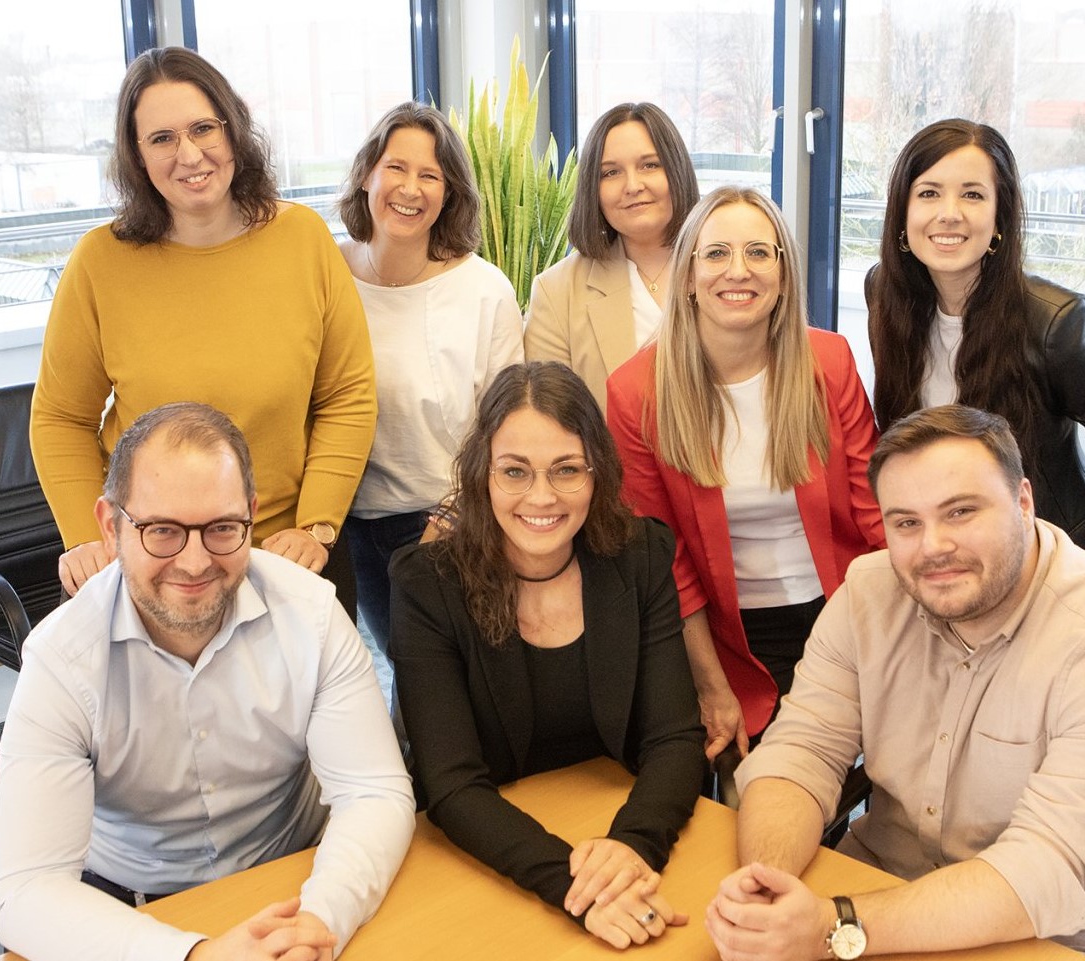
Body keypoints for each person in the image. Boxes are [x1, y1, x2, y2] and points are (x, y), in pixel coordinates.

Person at [706, 404, 1085, 960]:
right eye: (906, 522)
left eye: (960, 512)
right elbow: (801, 752)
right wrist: (765, 884)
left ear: (1024, 502)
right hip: (879, 897)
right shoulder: (867, 592)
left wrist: (829, 925)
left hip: (1053, 935)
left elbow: (1043, 870)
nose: (932, 546)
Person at [0, 403, 413, 961]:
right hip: (131, 914)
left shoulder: (310, 612)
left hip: (296, 878)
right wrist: (197, 957)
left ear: (252, 517)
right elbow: (25, 888)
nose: (194, 562)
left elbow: (374, 792)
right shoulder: (61, 659)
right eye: (162, 530)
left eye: (221, 529)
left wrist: (315, 925)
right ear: (110, 525)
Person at [866, 117, 1085, 661]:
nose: (949, 213)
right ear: (903, 214)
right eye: (929, 193)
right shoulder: (885, 296)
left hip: (1061, 567)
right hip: (957, 567)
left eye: (972, 194)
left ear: (999, 221)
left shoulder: (1056, 322)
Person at [31, 47, 375, 610]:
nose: (189, 153)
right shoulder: (99, 263)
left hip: (291, 559)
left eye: (202, 128)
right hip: (160, 570)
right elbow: (60, 419)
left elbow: (348, 396)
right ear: (137, 157)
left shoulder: (304, 239)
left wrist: (317, 526)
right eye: (161, 138)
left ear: (233, 131)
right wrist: (90, 536)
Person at [389, 361, 706, 950]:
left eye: (567, 470)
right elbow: (451, 784)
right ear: (483, 473)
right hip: (489, 855)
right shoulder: (428, 583)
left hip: (607, 822)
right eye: (515, 471)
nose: (542, 497)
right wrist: (574, 885)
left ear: (598, 472)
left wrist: (631, 849)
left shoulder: (639, 557)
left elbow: (675, 740)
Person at [607, 187, 885, 762]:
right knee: (752, 790)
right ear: (686, 275)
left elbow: (874, 515)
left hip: (844, 615)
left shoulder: (829, 364)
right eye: (717, 254)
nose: (740, 271)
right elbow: (666, 560)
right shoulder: (636, 393)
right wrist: (712, 686)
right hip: (722, 641)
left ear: (783, 275)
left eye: (760, 253)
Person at [337, 100, 522, 654]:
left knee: (451, 675)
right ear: (368, 173)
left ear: (450, 193)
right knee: (398, 669)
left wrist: (456, 513)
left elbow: (508, 424)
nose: (410, 188)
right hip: (349, 525)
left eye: (430, 175)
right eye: (396, 167)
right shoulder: (326, 273)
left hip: (451, 520)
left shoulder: (484, 289)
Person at [526, 102, 699, 409]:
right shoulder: (557, 292)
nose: (633, 186)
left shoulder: (729, 269)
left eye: (650, 165)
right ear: (594, 189)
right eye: (611, 172)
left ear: (677, 170)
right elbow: (554, 423)